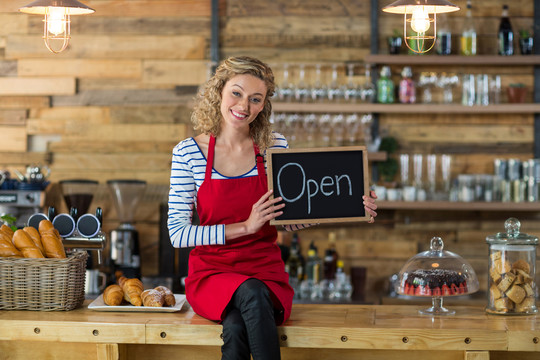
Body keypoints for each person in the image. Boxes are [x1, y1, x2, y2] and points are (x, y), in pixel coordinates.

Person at [168, 56, 378, 360]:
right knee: (249, 293)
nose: (244, 106)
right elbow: (178, 233)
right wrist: (245, 227)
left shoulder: (273, 147)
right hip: (212, 273)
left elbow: (288, 219)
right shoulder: (189, 152)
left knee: (238, 325)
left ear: (264, 105)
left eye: (256, 99)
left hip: (265, 272)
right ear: (218, 92)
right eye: (236, 93)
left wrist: (348, 204)